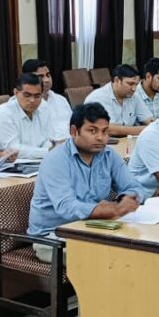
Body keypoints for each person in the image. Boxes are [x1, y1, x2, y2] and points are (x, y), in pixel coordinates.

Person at [28, 104, 148, 263]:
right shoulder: (56, 159)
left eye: (105, 131)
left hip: (91, 228)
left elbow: (134, 187)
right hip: (53, 237)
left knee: (142, 247)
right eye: (92, 131)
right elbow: (66, 207)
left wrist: (127, 199)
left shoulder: (108, 155)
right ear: (74, 131)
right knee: (109, 259)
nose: (100, 137)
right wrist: (108, 209)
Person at [0, 73, 57, 159]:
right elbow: (13, 150)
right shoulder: (3, 113)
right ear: (16, 93)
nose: (32, 100)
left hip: (41, 160)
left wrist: (50, 150)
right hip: (11, 165)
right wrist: (48, 152)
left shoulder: (44, 107)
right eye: (27, 95)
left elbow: (48, 139)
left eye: (37, 96)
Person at [84, 64, 154, 136]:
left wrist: (153, 126)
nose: (134, 89)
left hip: (126, 140)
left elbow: (149, 119)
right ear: (116, 80)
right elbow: (109, 129)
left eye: (136, 85)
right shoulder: (98, 97)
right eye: (130, 84)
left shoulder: (134, 96)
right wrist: (145, 129)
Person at [22, 59, 73, 142]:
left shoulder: (61, 100)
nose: (47, 80)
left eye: (48, 75)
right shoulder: (25, 104)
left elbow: (73, 125)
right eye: (41, 77)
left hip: (69, 143)